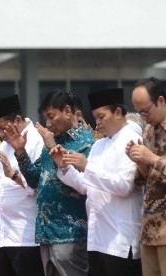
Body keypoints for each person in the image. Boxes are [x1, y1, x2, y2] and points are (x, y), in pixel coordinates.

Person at [54, 88, 142, 276]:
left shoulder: (132, 140)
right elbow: (88, 186)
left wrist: (87, 166)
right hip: (97, 237)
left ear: (118, 112)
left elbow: (125, 186)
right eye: (95, 117)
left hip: (120, 239)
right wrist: (65, 168)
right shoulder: (99, 145)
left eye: (101, 117)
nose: (98, 123)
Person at [8, 90, 95, 276]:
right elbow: (34, 180)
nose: (48, 124)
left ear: (67, 111)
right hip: (46, 231)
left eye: (51, 116)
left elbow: (88, 185)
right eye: (45, 118)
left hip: (70, 232)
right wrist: (21, 152)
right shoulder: (51, 142)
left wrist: (52, 148)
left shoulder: (86, 142)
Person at [0, 95, 44, 276]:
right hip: (3, 236)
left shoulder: (37, 141)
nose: (1, 134)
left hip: (27, 237)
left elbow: (38, 185)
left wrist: (14, 175)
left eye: (3, 128)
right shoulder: (3, 147)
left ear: (18, 120)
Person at [127, 77, 166, 276]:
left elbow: (155, 162)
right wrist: (140, 161)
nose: (143, 117)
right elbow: (149, 178)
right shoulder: (149, 130)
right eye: (139, 112)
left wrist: (151, 157)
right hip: (150, 227)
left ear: (161, 101)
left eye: (145, 111)